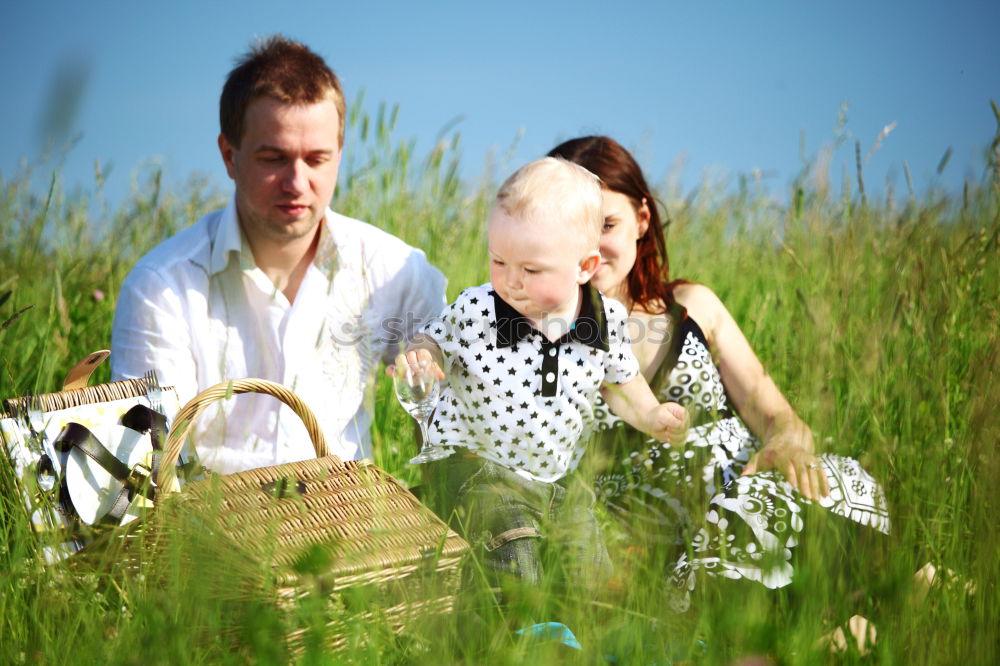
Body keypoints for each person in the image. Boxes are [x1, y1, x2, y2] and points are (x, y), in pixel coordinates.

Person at [547, 136, 890, 612]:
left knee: (821, 492)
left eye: (606, 224)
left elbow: (778, 417)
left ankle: (883, 610)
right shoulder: (542, 341)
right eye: (572, 228)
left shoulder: (692, 306)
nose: (590, 246)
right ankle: (849, 626)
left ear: (641, 220)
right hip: (658, 545)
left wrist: (787, 443)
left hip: (751, 491)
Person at [110, 36, 446, 473]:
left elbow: (457, 405)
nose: (297, 182)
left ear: (339, 156)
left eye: (317, 158)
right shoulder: (162, 287)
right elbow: (153, 460)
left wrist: (433, 365)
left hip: (349, 521)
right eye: (274, 159)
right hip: (209, 529)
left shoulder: (392, 269)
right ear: (230, 156)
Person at [390, 157, 688, 592]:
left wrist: (651, 415)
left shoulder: (605, 321)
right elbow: (434, 339)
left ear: (584, 268)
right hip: (479, 470)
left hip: (559, 479)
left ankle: (585, 638)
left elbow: (621, 383)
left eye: (531, 270)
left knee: (588, 570)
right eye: (498, 261)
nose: (510, 281)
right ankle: (517, 633)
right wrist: (422, 356)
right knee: (515, 556)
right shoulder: (479, 308)